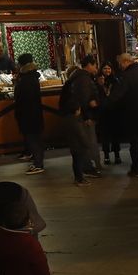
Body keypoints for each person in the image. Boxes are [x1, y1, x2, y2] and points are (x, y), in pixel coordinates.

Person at [103, 51, 138, 176]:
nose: (119, 66)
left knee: (135, 143)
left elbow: (117, 95)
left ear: (125, 62)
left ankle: (136, 169)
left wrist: (104, 104)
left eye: (119, 64)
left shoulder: (126, 76)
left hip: (134, 115)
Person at [57, 57, 102, 185]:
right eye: (94, 65)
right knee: (80, 146)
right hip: (74, 116)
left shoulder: (77, 77)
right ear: (89, 65)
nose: (96, 68)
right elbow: (83, 98)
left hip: (72, 114)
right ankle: (80, 176)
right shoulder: (83, 78)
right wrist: (86, 115)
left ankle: (82, 174)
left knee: (79, 146)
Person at [11, 52, 46, 174]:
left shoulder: (26, 79)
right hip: (33, 113)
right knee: (35, 138)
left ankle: (38, 164)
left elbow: (23, 98)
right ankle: (37, 162)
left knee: (33, 139)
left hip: (28, 114)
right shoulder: (32, 76)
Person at [97, 60, 122, 166]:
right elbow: (96, 95)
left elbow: (118, 95)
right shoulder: (98, 81)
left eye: (109, 68)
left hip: (114, 111)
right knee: (105, 135)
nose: (107, 70)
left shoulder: (115, 81)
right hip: (103, 112)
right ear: (101, 70)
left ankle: (117, 155)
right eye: (105, 68)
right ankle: (106, 156)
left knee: (115, 135)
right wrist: (100, 85)